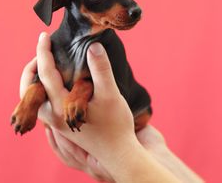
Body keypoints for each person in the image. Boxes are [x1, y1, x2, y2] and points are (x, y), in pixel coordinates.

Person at [20, 32, 204, 183]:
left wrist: (118, 152)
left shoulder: (107, 43)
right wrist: (143, 155)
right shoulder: (63, 44)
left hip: (133, 110)